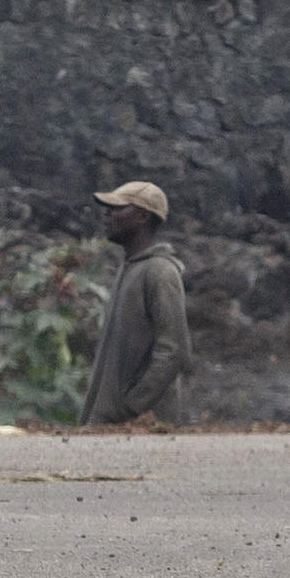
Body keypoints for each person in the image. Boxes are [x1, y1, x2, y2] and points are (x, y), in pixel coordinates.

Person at [79, 179, 192, 425]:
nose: (107, 214)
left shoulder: (160, 272)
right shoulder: (130, 269)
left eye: (118, 208)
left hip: (140, 427)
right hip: (112, 423)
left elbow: (174, 351)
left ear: (142, 216)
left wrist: (131, 406)